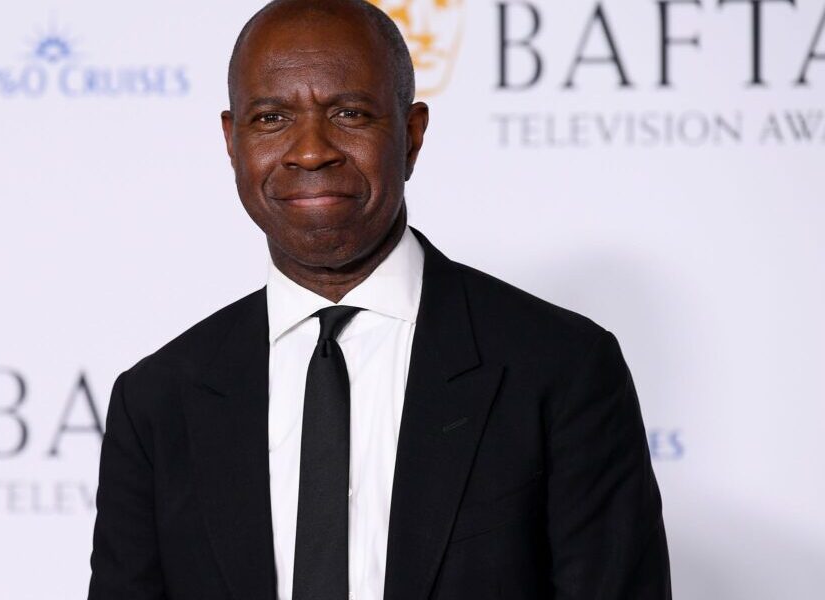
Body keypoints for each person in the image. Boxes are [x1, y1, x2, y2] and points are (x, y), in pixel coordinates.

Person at [87, 0, 671, 598]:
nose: (310, 150)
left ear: (412, 135)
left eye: (349, 113)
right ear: (231, 142)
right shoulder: (156, 401)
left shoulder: (562, 367)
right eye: (271, 118)